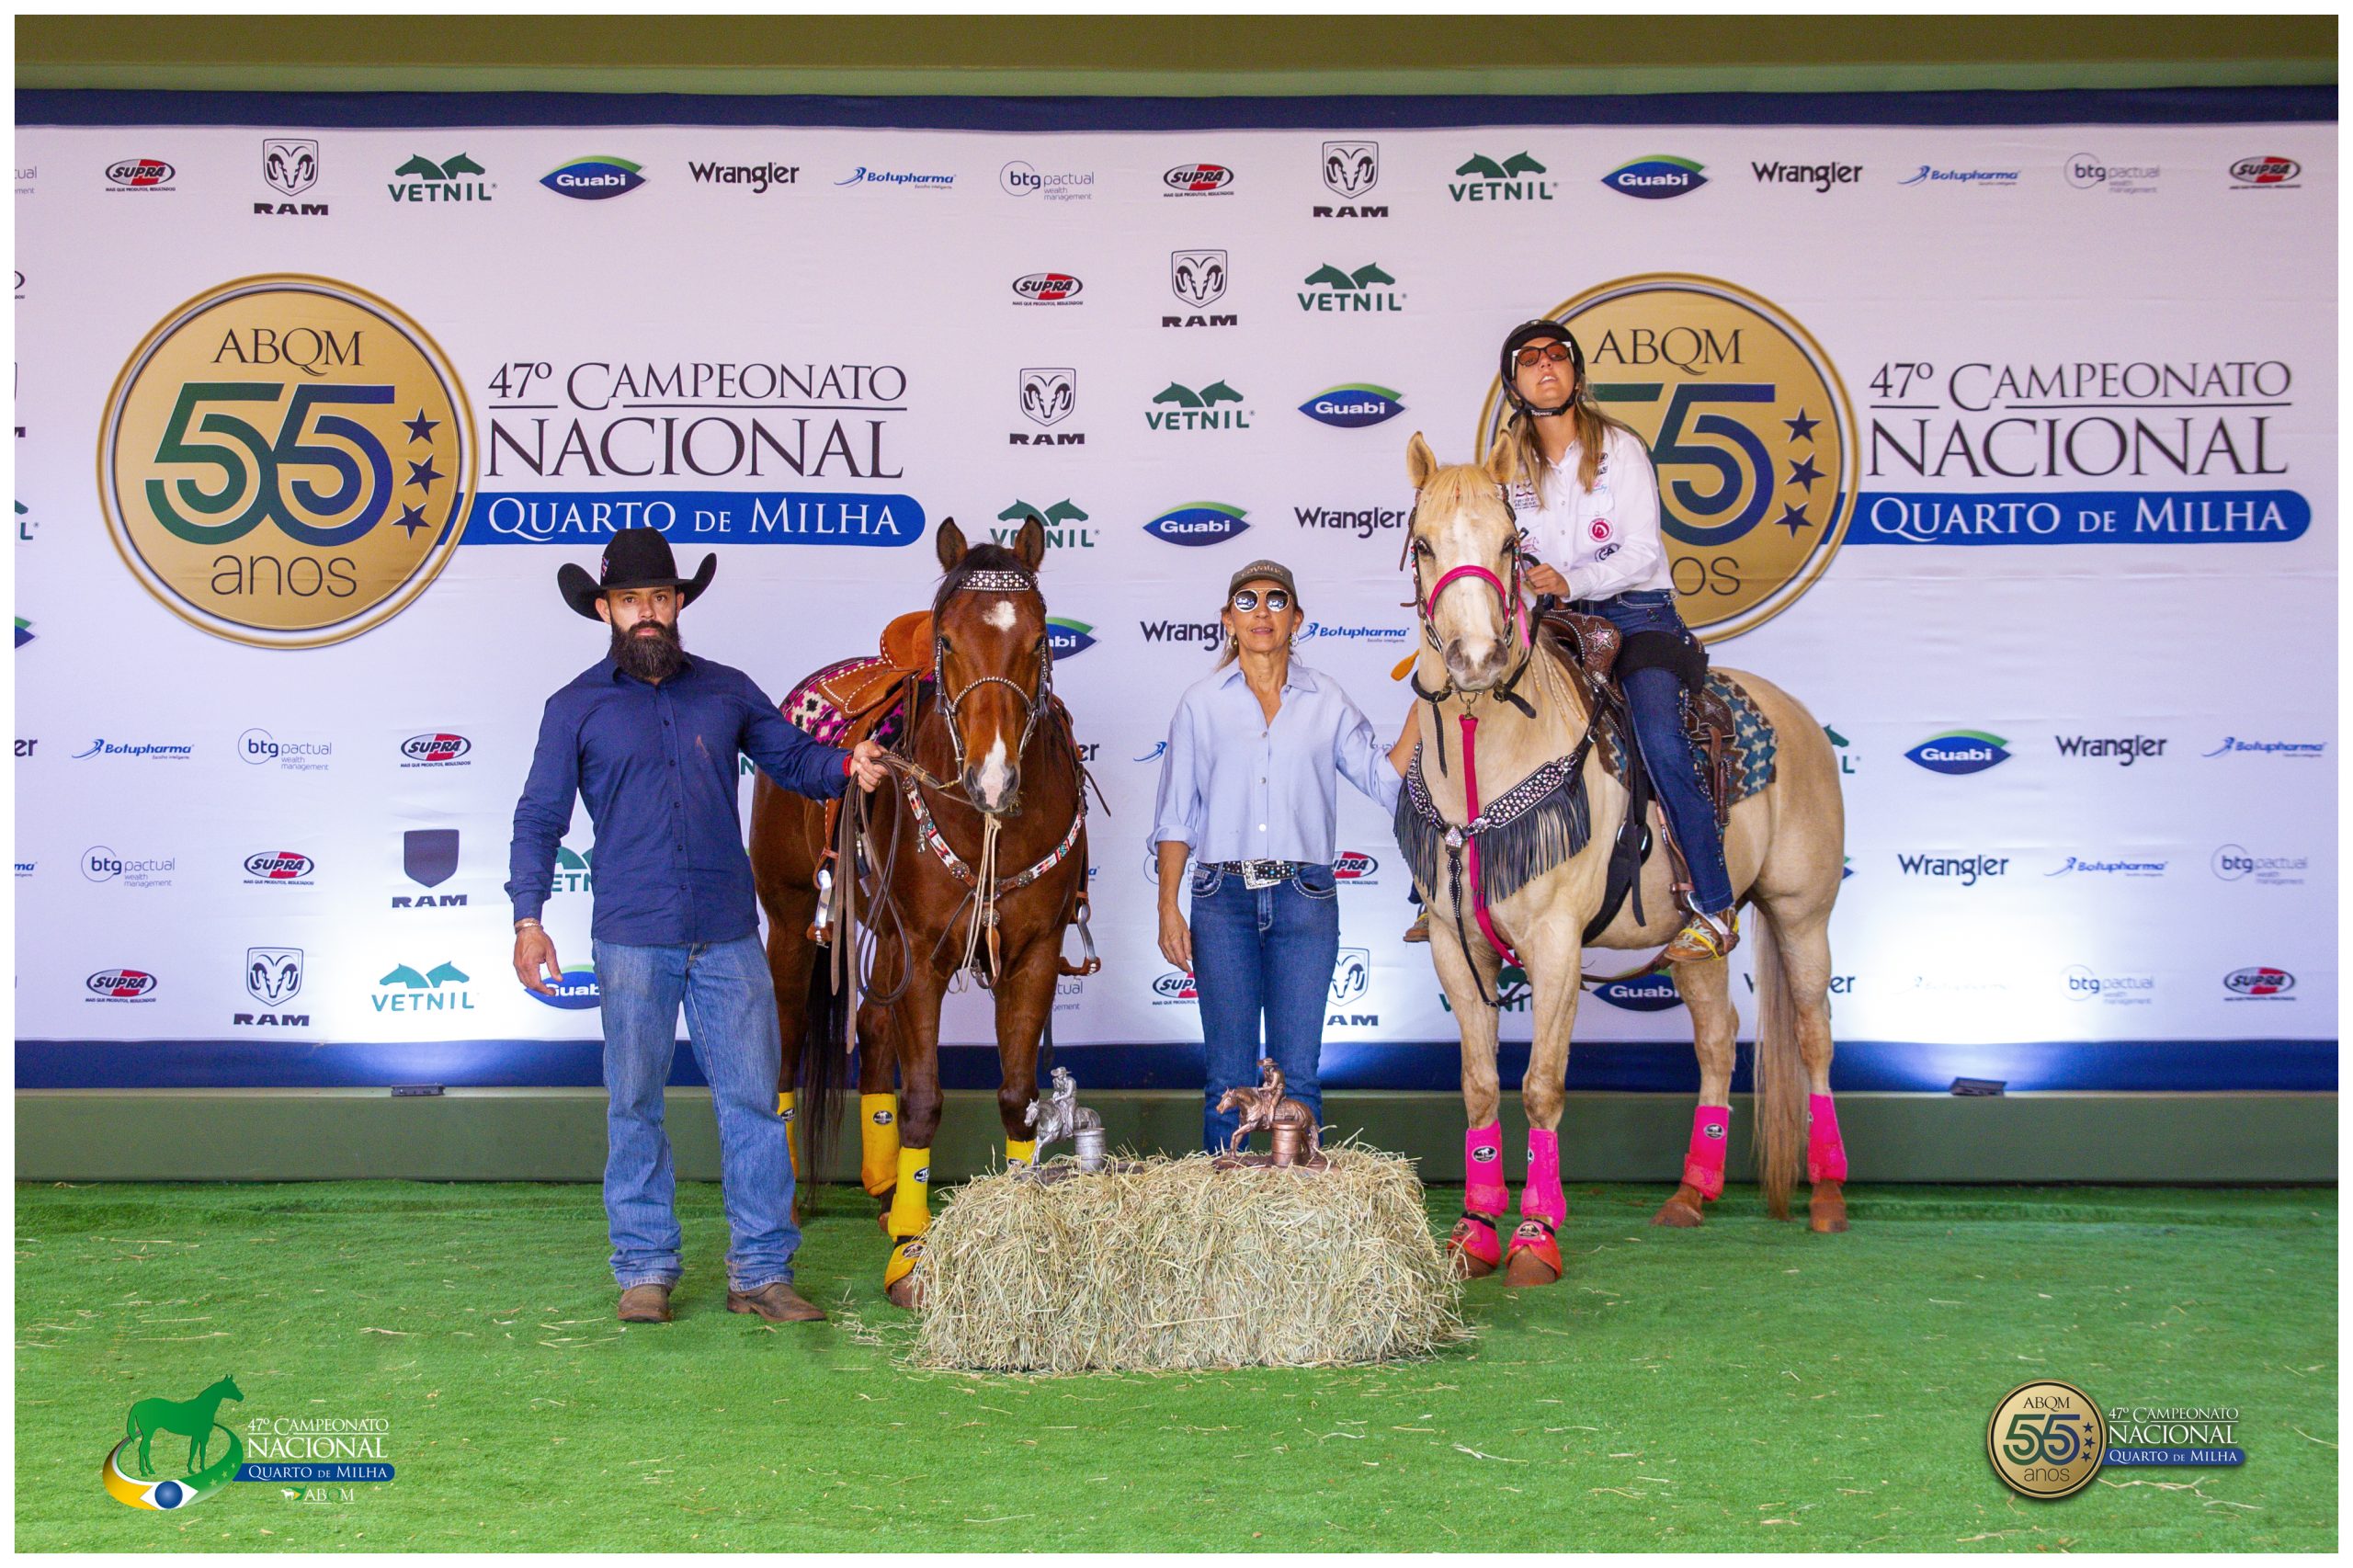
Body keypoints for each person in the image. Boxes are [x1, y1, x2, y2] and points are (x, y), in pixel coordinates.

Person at [506, 528, 890, 1326]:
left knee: (753, 1103)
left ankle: (761, 1272)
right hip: (630, 937)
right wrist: (528, 918)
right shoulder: (574, 707)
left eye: (658, 598)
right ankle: (645, 1267)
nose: (645, 614)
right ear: (605, 610)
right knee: (634, 1103)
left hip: (725, 935)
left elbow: (793, 758)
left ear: (677, 604)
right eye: (628, 601)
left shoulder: (727, 690)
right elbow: (540, 817)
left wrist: (847, 765)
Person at [1150, 560, 1415, 1153]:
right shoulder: (1200, 704)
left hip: (1306, 901)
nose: (1262, 611)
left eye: (1276, 600)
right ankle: (1224, 1224)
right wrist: (1168, 906)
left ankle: (1301, 1226)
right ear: (1227, 619)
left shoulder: (1327, 700)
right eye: (1247, 601)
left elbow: (1385, 780)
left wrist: (1427, 700)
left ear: (1297, 619)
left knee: (1298, 1076)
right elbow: (1175, 817)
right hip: (1222, 901)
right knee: (1228, 1078)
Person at [1495, 317, 1737, 962]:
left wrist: (1569, 578)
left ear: (1575, 372)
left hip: (1636, 615)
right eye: (1529, 359)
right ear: (1514, 381)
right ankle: (1445, 892)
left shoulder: (1618, 448)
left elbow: (1640, 550)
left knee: (1659, 735)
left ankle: (1712, 906)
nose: (1545, 366)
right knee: (1469, 709)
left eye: (1557, 355)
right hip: (1553, 623)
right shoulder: (1508, 466)